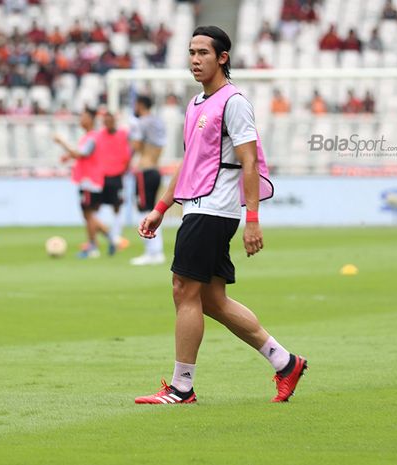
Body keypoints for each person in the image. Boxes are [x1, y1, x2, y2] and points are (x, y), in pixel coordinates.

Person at [134, 26, 307, 404]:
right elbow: (187, 162)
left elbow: (249, 162)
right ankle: (286, 363)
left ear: (222, 58)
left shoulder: (235, 102)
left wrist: (253, 219)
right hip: (196, 206)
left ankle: (182, 388)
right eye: (191, 52)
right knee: (211, 300)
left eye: (203, 53)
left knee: (183, 290)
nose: (195, 60)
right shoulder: (196, 104)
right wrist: (162, 208)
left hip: (215, 208)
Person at [54, 108, 115, 258]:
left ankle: (93, 246)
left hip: (90, 181)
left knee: (88, 214)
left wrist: (62, 143)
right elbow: (81, 155)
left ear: (91, 120)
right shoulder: (88, 137)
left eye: (84, 117)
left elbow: (81, 153)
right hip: (88, 180)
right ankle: (109, 238)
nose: (81, 120)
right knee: (89, 215)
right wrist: (69, 156)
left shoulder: (92, 137)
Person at [129, 95, 166, 265]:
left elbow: (135, 146)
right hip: (156, 169)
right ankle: (156, 251)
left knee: (144, 211)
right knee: (153, 210)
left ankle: (152, 252)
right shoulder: (158, 122)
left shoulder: (141, 122)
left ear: (140, 105)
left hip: (144, 170)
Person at [97, 112, 131, 248]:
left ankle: (116, 236)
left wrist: (124, 171)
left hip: (117, 176)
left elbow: (127, 155)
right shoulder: (99, 136)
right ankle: (98, 238)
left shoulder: (122, 135)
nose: (108, 123)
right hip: (102, 176)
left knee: (117, 206)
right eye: (106, 121)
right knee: (96, 206)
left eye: (110, 121)